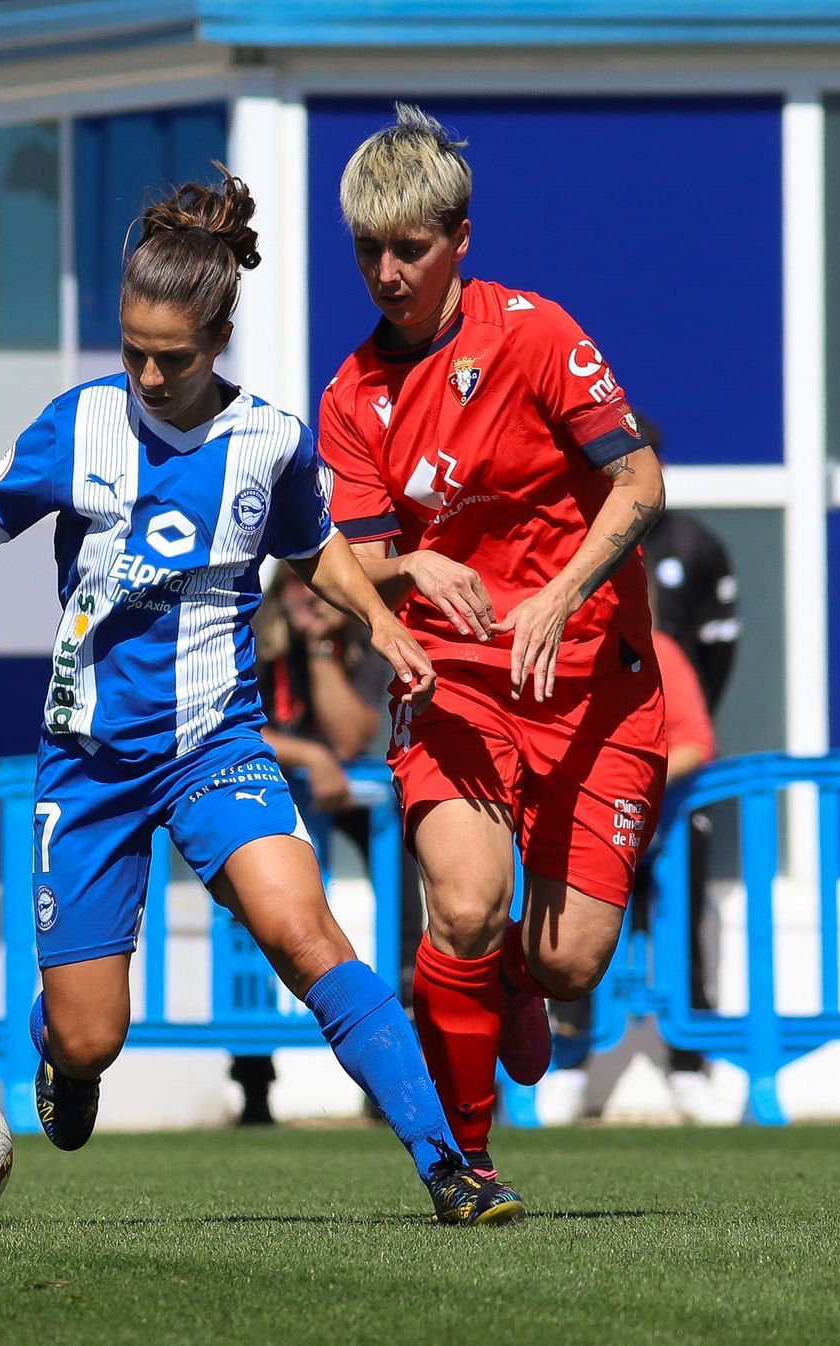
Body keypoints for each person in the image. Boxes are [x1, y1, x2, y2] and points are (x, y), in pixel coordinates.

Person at [0, 171, 522, 1225]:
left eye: (173, 355)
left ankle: (450, 1164)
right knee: (96, 1032)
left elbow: (313, 545)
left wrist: (379, 621)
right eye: (132, 347)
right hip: (89, 763)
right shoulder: (79, 423)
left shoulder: (270, 440)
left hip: (216, 748)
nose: (148, 372)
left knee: (303, 931)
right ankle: (65, 1042)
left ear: (220, 332)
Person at [318, 104, 669, 1181]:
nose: (386, 271)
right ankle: (459, 1162)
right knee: (463, 904)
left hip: (595, 683)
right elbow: (348, 558)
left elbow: (639, 477)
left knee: (569, 963)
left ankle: (515, 981)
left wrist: (562, 593)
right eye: (368, 249)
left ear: (457, 239)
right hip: (455, 681)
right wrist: (408, 566)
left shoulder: (535, 333)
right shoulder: (351, 395)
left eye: (408, 248)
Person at [230, 566, 400, 1124]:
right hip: (255, 793)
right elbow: (225, 727)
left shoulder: (364, 635)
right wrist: (309, 756)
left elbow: (351, 734)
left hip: (347, 804)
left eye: (318, 583)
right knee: (252, 936)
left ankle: (397, 1074)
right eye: (299, 582)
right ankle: (254, 1083)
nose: (310, 595)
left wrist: (323, 645)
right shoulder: (244, 625)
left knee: (408, 917)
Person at [542, 609, 721, 1123]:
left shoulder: (660, 649)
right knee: (563, 942)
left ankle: (689, 1069)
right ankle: (567, 1069)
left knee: (682, 944)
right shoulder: (552, 647)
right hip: (578, 826)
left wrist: (629, 782)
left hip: (656, 827)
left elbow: (696, 741)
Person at [635, 412, 738, 712]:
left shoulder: (693, 545)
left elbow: (719, 647)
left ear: (661, 469)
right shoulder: (572, 537)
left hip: (675, 715)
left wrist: (693, 713)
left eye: (640, 466)